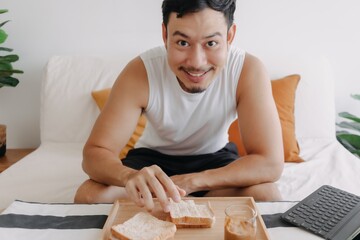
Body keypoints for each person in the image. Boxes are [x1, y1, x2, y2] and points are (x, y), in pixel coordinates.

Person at [74, 0, 284, 213]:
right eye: (183, 43)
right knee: (89, 195)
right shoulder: (141, 71)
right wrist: (129, 176)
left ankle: (188, 202)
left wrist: (192, 182)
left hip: (215, 161)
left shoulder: (247, 70)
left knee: (268, 195)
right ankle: (189, 203)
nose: (196, 62)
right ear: (165, 35)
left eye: (211, 43)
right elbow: (95, 153)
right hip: (151, 162)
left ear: (229, 36)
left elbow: (270, 162)